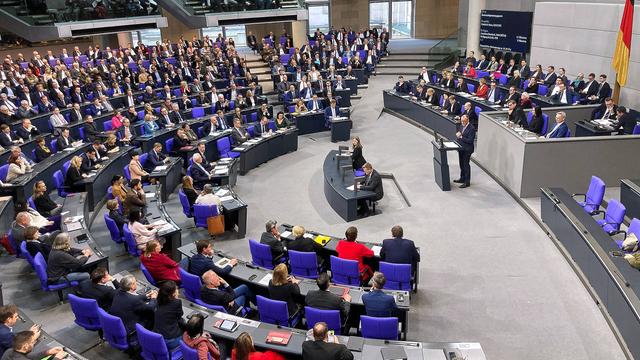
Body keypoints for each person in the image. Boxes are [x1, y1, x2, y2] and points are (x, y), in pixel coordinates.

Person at [153, 281, 185, 350]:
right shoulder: (177, 302)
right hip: (171, 340)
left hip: (157, 338)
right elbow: (180, 315)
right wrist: (176, 298)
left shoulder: (158, 299)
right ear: (173, 293)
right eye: (176, 289)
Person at [2, 330, 66, 360]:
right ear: (26, 346)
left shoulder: (9, 351)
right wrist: (57, 358)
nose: (34, 344)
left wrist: (47, 352)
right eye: (32, 342)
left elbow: (29, 357)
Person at [454, 114, 476, 188]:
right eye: (462, 121)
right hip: (461, 148)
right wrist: (458, 137)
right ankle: (462, 178)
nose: (462, 123)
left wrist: (461, 137)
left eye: (464, 121)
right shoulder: (461, 125)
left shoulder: (472, 128)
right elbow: (460, 134)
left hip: (467, 149)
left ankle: (467, 182)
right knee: (461, 164)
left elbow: (470, 141)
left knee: (466, 165)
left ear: (467, 120)